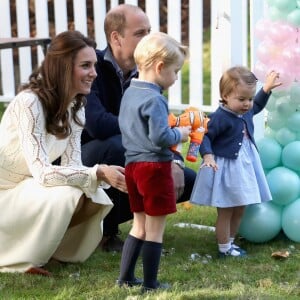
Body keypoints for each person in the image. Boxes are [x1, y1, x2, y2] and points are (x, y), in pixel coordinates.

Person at [0, 30, 127, 276]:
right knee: (69, 191)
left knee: (94, 194)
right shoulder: (30, 102)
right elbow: (44, 174)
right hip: (5, 192)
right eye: (86, 66)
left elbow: (74, 164)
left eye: (94, 65)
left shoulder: (76, 109)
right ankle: (18, 256)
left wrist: (98, 177)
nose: (94, 73)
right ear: (63, 68)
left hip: (25, 187)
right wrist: (98, 171)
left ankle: (55, 252)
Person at [81, 3, 197, 252]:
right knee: (115, 147)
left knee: (187, 180)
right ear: (116, 37)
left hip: (130, 150)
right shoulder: (93, 68)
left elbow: (160, 125)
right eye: (140, 33)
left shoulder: (148, 73)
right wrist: (139, 129)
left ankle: (137, 229)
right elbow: (97, 125)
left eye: (149, 31)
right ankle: (106, 233)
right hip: (89, 158)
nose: (149, 38)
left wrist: (174, 161)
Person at [117, 32, 190, 292]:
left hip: (132, 167)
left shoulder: (130, 93)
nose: (176, 77)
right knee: (155, 230)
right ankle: (150, 284)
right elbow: (160, 137)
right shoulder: (155, 99)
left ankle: (125, 278)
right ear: (160, 68)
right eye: (175, 71)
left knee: (139, 225)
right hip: (155, 168)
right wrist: (179, 134)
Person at [190, 66, 282, 257]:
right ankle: (224, 248)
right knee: (226, 208)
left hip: (245, 166)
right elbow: (204, 136)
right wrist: (207, 155)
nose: (247, 104)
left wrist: (266, 90)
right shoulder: (220, 117)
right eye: (241, 99)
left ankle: (231, 243)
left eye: (249, 98)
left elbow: (256, 106)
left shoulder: (245, 110)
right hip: (227, 169)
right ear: (225, 95)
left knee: (240, 206)